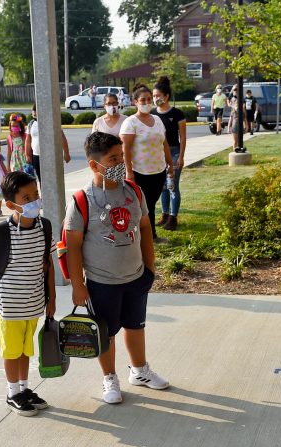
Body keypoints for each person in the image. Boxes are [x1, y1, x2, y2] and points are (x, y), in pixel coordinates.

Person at [64, 132, 169, 405]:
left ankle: (140, 370)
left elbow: (145, 228)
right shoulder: (81, 200)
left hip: (136, 276)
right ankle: (109, 377)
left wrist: (150, 267)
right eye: (113, 159)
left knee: (136, 326)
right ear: (94, 165)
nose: (120, 162)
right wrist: (77, 284)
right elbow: (72, 245)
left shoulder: (133, 191)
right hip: (101, 282)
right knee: (106, 332)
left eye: (121, 156)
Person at [0, 170, 56, 417]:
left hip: (34, 304)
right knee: (11, 351)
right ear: (11, 204)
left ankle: (24, 389)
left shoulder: (45, 228)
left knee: (25, 350)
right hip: (8, 306)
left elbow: (48, 266)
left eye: (36, 195)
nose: (34, 201)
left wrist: (51, 300)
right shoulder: (2, 232)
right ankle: (12, 393)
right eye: (26, 198)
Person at [120, 83, 174, 241]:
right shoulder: (130, 122)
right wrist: (129, 172)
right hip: (139, 172)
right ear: (135, 102)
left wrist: (170, 163)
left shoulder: (157, 119)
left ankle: (146, 235)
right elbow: (126, 149)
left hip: (158, 170)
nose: (146, 102)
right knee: (146, 205)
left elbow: (164, 143)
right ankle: (149, 237)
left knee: (150, 204)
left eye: (149, 99)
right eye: (142, 100)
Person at [152, 76, 187, 231]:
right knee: (162, 187)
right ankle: (164, 214)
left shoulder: (177, 114)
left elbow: (183, 136)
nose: (155, 99)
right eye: (153, 96)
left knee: (172, 185)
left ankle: (173, 217)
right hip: (158, 155)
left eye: (158, 96)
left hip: (173, 152)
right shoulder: (153, 114)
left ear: (166, 96)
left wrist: (180, 156)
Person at [24, 103, 71, 182]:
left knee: (51, 179)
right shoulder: (31, 124)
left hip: (50, 156)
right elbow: (28, 140)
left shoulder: (51, 122)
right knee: (41, 179)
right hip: (36, 156)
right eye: (33, 110)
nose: (34, 112)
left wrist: (66, 153)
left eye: (36, 110)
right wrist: (27, 155)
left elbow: (62, 138)